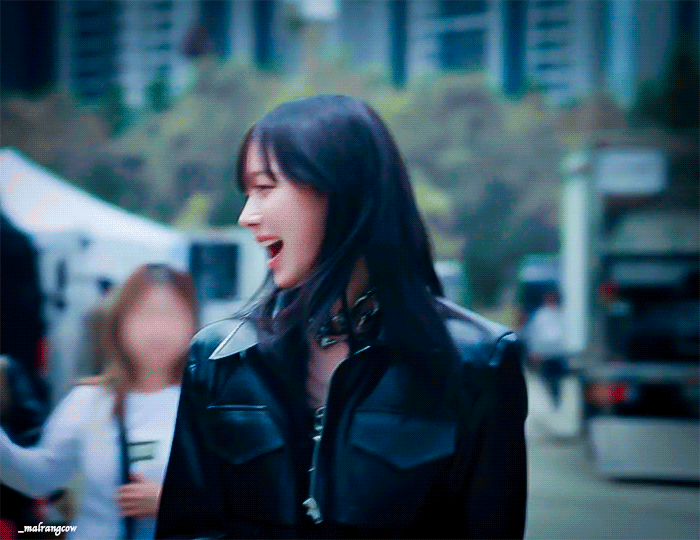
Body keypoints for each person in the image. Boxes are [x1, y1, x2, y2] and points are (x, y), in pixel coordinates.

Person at [156, 95, 528, 539]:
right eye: (247, 193)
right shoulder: (219, 357)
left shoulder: (478, 363)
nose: (247, 216)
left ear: (340, 190)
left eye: (265, 187)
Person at [0, 264, 199, 539]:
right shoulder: (89, 401)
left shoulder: (208, 404)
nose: (158, 329)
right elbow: (40, 478)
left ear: (193, 323)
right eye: (144, 314)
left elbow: (244, 500)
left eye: (171, 315)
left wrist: (176, 504)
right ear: (120, 323)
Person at [526, 288, 567, 406]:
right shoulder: (541, 315)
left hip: (559, 353)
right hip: (545, 354)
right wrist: (534, 351)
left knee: (558, 379)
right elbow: (533, 333)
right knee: (548, 378)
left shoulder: (562, 313)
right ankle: (553, 399)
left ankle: (557, 399)